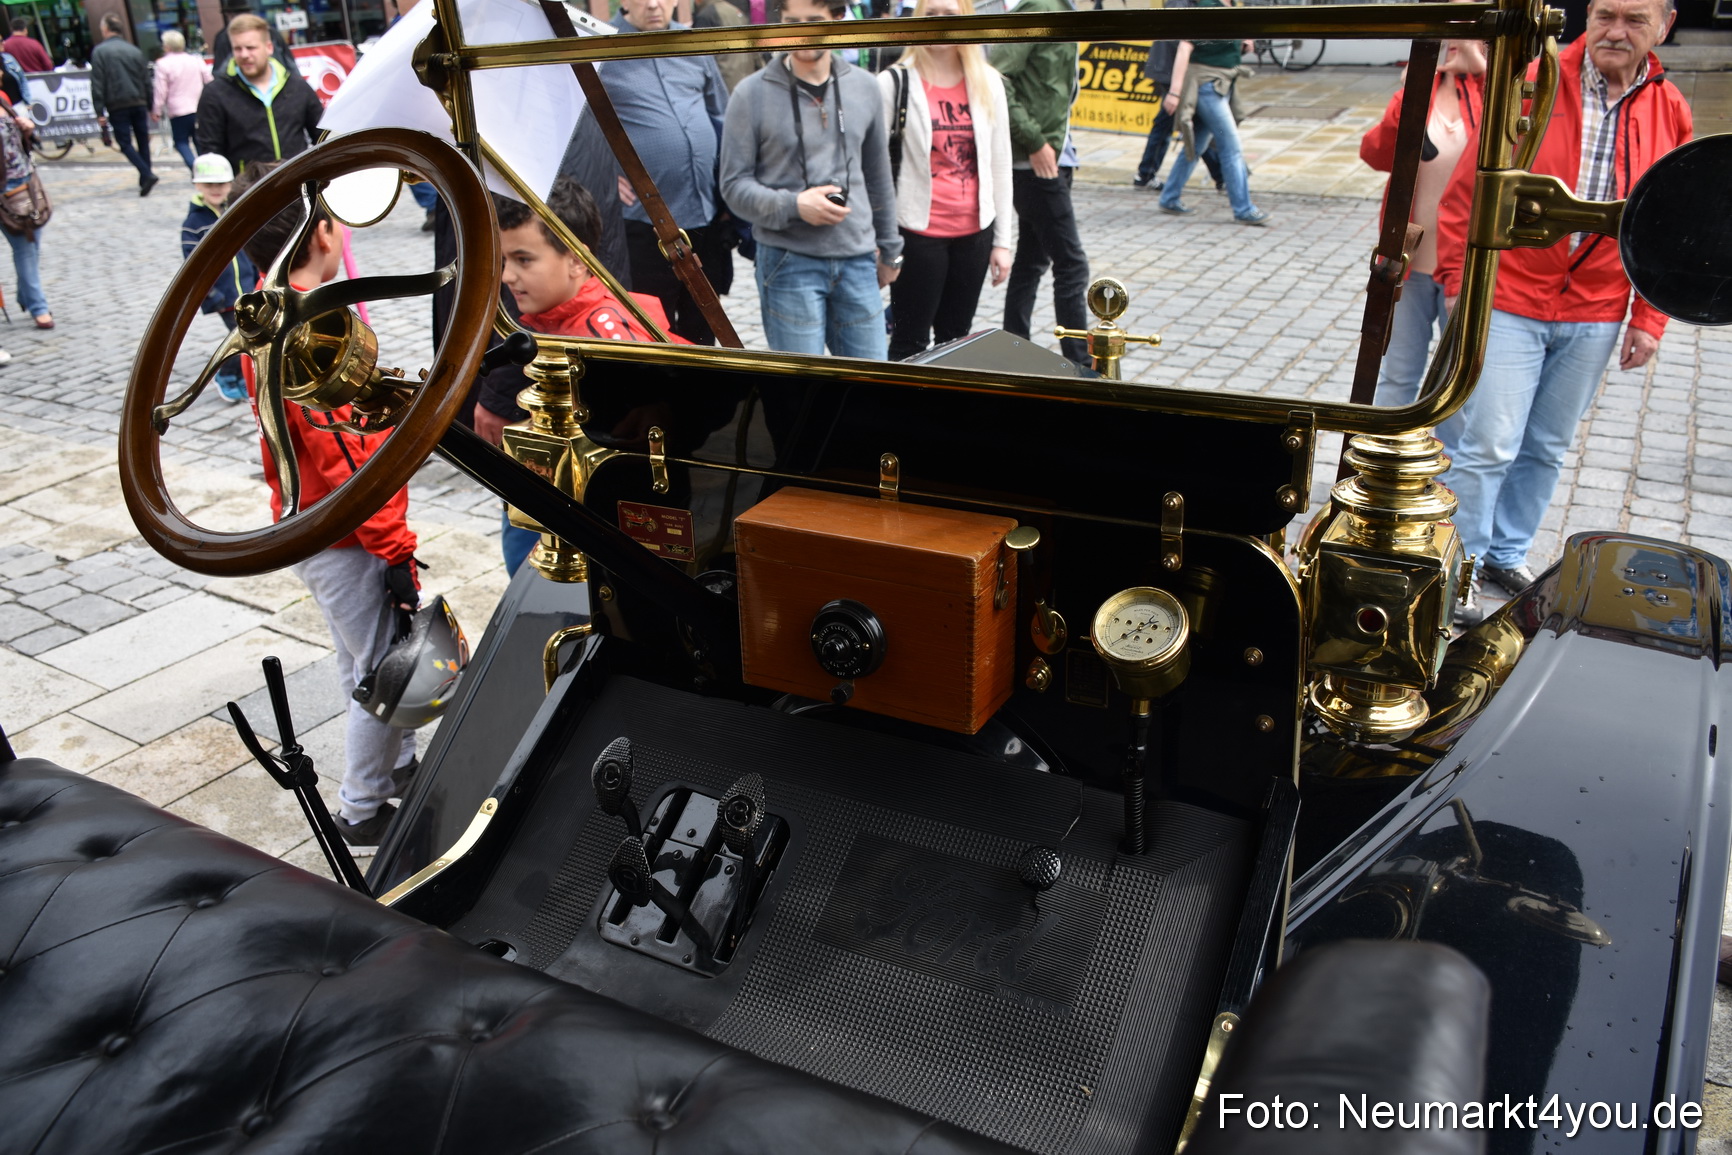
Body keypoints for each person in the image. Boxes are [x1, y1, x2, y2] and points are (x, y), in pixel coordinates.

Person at [1434, 0, 1690, 623]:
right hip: (1512, 295)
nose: (1616, 32)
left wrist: (1648, 319)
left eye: (1635, 20)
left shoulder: (1668, 107)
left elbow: (1672, 226)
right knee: (1490, 442)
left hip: (1598, 307)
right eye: (1605, 15)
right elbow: (1467, 190)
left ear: (1665, 25)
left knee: (1546, 446)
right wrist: (1455, 284)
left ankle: (1507, 550)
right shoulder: (1531, 84)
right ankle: (1459, 570)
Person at [230, 160, 422, 848]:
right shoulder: (306, 329)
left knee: (357, 656)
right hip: (342, 530)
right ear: (319, 233)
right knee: (380, 670)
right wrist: (395, 547)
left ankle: (395, 767)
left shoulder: (268, 304)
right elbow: (346, 458)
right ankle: (363, 804)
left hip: (313, 519)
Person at [474, 178, 688, 573]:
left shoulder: (604, 344)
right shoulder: (553, 325)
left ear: (577, 260)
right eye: (504, 260)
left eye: (524, 260)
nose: (506, 276)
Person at [719, 0, 901, 359]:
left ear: (837, 19)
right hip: (789, 261)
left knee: (870, 390)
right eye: (792, 21)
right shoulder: (750, 93)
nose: (801, 32)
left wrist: (891, 251)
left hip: (858, 258)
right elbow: (733, 186)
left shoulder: (865, 87)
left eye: (814, 21)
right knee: (801, 397)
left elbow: (879, 175)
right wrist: (794, 205)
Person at [878, 0, 1013, 361]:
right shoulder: (894, 83)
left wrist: (1003, 242)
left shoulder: (988, 83)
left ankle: (944, 414)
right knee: (909, 341)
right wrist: (880, 240)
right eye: (931, 15)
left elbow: (1000, 163)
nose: (939, 23)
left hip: (974, 234)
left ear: (966, 23)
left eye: (949, 16)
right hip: (917, 233)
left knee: (957, 341)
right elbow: (873, 167)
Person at [1359, 36, 1485, 407]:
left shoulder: (1499, 93)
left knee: (1456, 385)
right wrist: (1407, 95)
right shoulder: (1420, 87)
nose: (1457, 40)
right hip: (1410, 259)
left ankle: (1451, 465)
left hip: (1465, 265)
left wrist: (1482, 75)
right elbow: (1377, 154)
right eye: (1452, 28)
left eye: (1469, 30)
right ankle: (1379, 462)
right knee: (1398, 375)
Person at [602, 0, 730, 345]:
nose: (655, 4)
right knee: (651, 330)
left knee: (705, 326)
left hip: (704, 215)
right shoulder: (601, 50)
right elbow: (575, 131)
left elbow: (720, 113)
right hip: (644, 224)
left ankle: (702, 398)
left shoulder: (693, 45)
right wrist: (603, 174)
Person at [989, 0, 1090, 367]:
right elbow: (997, 78)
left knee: (1033, 259)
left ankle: (1013, 350)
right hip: (1033, 160)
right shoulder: (1041, 6)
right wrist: (1034, 141)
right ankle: (1080, 365)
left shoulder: (1065, 7)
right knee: (1072, 264)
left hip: (1056, 154)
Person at [1157, 1, 1267, 226]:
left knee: (1197, 144)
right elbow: (1185, 47)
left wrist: (1243, 45)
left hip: (1223, 84)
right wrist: (1175, 92)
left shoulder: (1232, 5)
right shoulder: (1206, 4)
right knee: (1231, 148)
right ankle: (1243, 209)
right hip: (1207, 87)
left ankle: (1169, 197)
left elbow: (1221, 44)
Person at [195, 13, 324, 176]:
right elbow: (211, 153)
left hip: (296, 186)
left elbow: (322, 136)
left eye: (251, 48)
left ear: (269, 47)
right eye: (237, 48)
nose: (244, 55)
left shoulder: (297, 87)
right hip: (247, 192)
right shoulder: (216, 93)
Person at [181, 153, 255, 402]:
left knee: (249, 336)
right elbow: (193, 266)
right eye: (209, 184)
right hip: (223, 295)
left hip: (245, 290)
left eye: (221, 184)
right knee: (241, 337)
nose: (216, 190)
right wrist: (212, 294)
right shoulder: (194, 223)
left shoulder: (235, 212)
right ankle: (225, 375)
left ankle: (241, 377)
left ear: (230, 184)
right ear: (197, 185)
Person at [1132, 3, 1223, 193]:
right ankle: (1146, 174)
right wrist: (1176, 88)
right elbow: (1180, 37)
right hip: (1171, 70)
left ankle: (1146, 173)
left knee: (1188, 124)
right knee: (1178, 123)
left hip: (1174, 70)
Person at [90, 14, 156, 196]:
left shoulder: (100, 52)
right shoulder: (134, 50)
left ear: (105, 29)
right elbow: (146, 80)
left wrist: (99, 110)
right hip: (138, 100)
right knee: (142, 140)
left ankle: (146, 174)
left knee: (124, 142)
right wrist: (150, 104)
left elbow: (97, 83)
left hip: (117, 103)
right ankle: (146, 176)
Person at [0, 81, 48, 332]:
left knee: (30, 245)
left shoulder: (3, 98)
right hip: (4, 188)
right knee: (26, 248)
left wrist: (26, 129)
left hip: (22, 183)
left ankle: (27, 295)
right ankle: (39, 306)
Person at [153, 30, 211, 173]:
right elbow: (209, 80)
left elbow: (161, 90)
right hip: (198, 106)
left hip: (178, 110)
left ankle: (196, 170)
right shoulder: (195, 60)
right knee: (199, 141)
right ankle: (205, 170)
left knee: (181, 142)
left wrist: (157, 109)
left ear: (167, 46)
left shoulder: (163, 64)